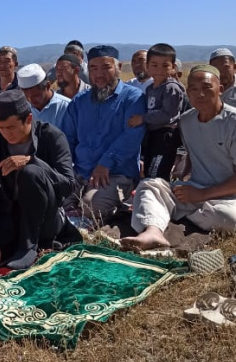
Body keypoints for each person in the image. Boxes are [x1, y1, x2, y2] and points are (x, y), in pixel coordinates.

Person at [0, 90, 78, 269]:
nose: (6, 133)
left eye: (10, 128)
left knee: (31, 173)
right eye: (1, 127)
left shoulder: (51, 136)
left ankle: (29, 247)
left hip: (46, 217)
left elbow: (68, 185)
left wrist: (32, 161)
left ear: (29, 119)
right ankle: (16, 246)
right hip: (11, 214)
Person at [122, 65, 236, 249]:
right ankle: (153, 232)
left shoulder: (232, 122)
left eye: (206, 88)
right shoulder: (186, 120)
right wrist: (185, 180)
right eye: (194, 89)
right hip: (195, 190)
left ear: (220, 89)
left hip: (229, 198)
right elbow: (194, 153)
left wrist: (201, 195)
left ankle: (170, 215)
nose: (200, 94)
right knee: (149, 185)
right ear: (188, 93)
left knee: (228, 218)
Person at [63, 44, 147, 222]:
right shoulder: (79, 102)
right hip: (81, 171)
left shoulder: (133, 98)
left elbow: (131, 138)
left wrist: (105, 163)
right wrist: (65, 169)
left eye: (105, 67)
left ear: (118, 67)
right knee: (54, 199)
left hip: (115, 173)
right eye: (93, 68)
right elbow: (67, 139)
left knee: (91, 205)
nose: (99, 74)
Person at [126, 42, 186, 180]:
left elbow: (168, 114)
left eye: (165, 66)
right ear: (147, 66)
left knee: (156, 171)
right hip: (153, 134)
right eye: (154, 65)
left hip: (165, 135)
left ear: (173, 67)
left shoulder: (171, 88)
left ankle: (158, 191)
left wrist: (143, 118)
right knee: (148, 168)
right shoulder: (150, 89)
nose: (160, 70)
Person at [16, 64, 70, 132]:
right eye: (27, 97)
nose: (31, 100)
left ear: (47, 86)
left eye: (36, 96)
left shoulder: (67, 107)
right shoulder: (21, 109)